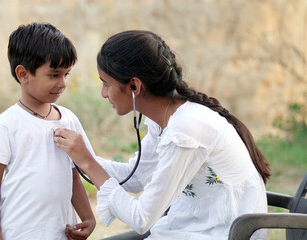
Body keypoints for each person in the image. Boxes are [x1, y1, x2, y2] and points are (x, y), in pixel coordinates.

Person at [53, 30, 271, 240]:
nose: (103, 94)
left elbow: (141, 219)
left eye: (106, 83)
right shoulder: (166, 121)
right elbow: (136, 176)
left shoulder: (185, 130)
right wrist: (79, 158)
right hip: (190, 230)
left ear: (134, 86)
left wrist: (89, 164)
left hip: (218, 235)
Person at [0, 23, 96, 240]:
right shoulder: (8, 124)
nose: (63, 83)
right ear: (23, 74)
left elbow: (73, 176)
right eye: (54, 75)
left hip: (62, 233)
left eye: (66, 74)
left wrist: (88, 217)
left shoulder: (68, 120)